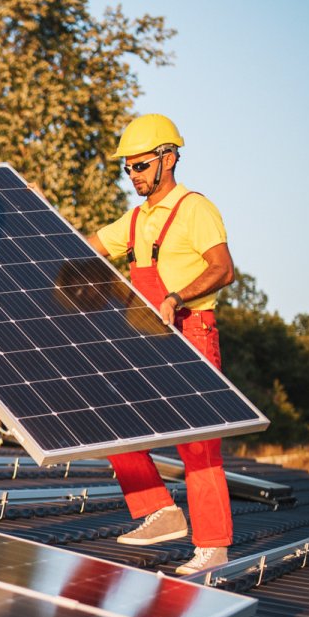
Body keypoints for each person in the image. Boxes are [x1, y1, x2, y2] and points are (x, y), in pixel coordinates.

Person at [85, 114, 236, 576]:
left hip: (191, 330)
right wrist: (36, 218)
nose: (134, 175)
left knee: (197, 444)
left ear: (169, 159)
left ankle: (212, 544)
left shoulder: (195, 208)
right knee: (110, 419)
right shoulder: (134, 220)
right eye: (128, 167)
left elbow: (223, 268)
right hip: (144, 337)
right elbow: (84, 247)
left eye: (141, 165)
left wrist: (176, 296)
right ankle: (160, 511)